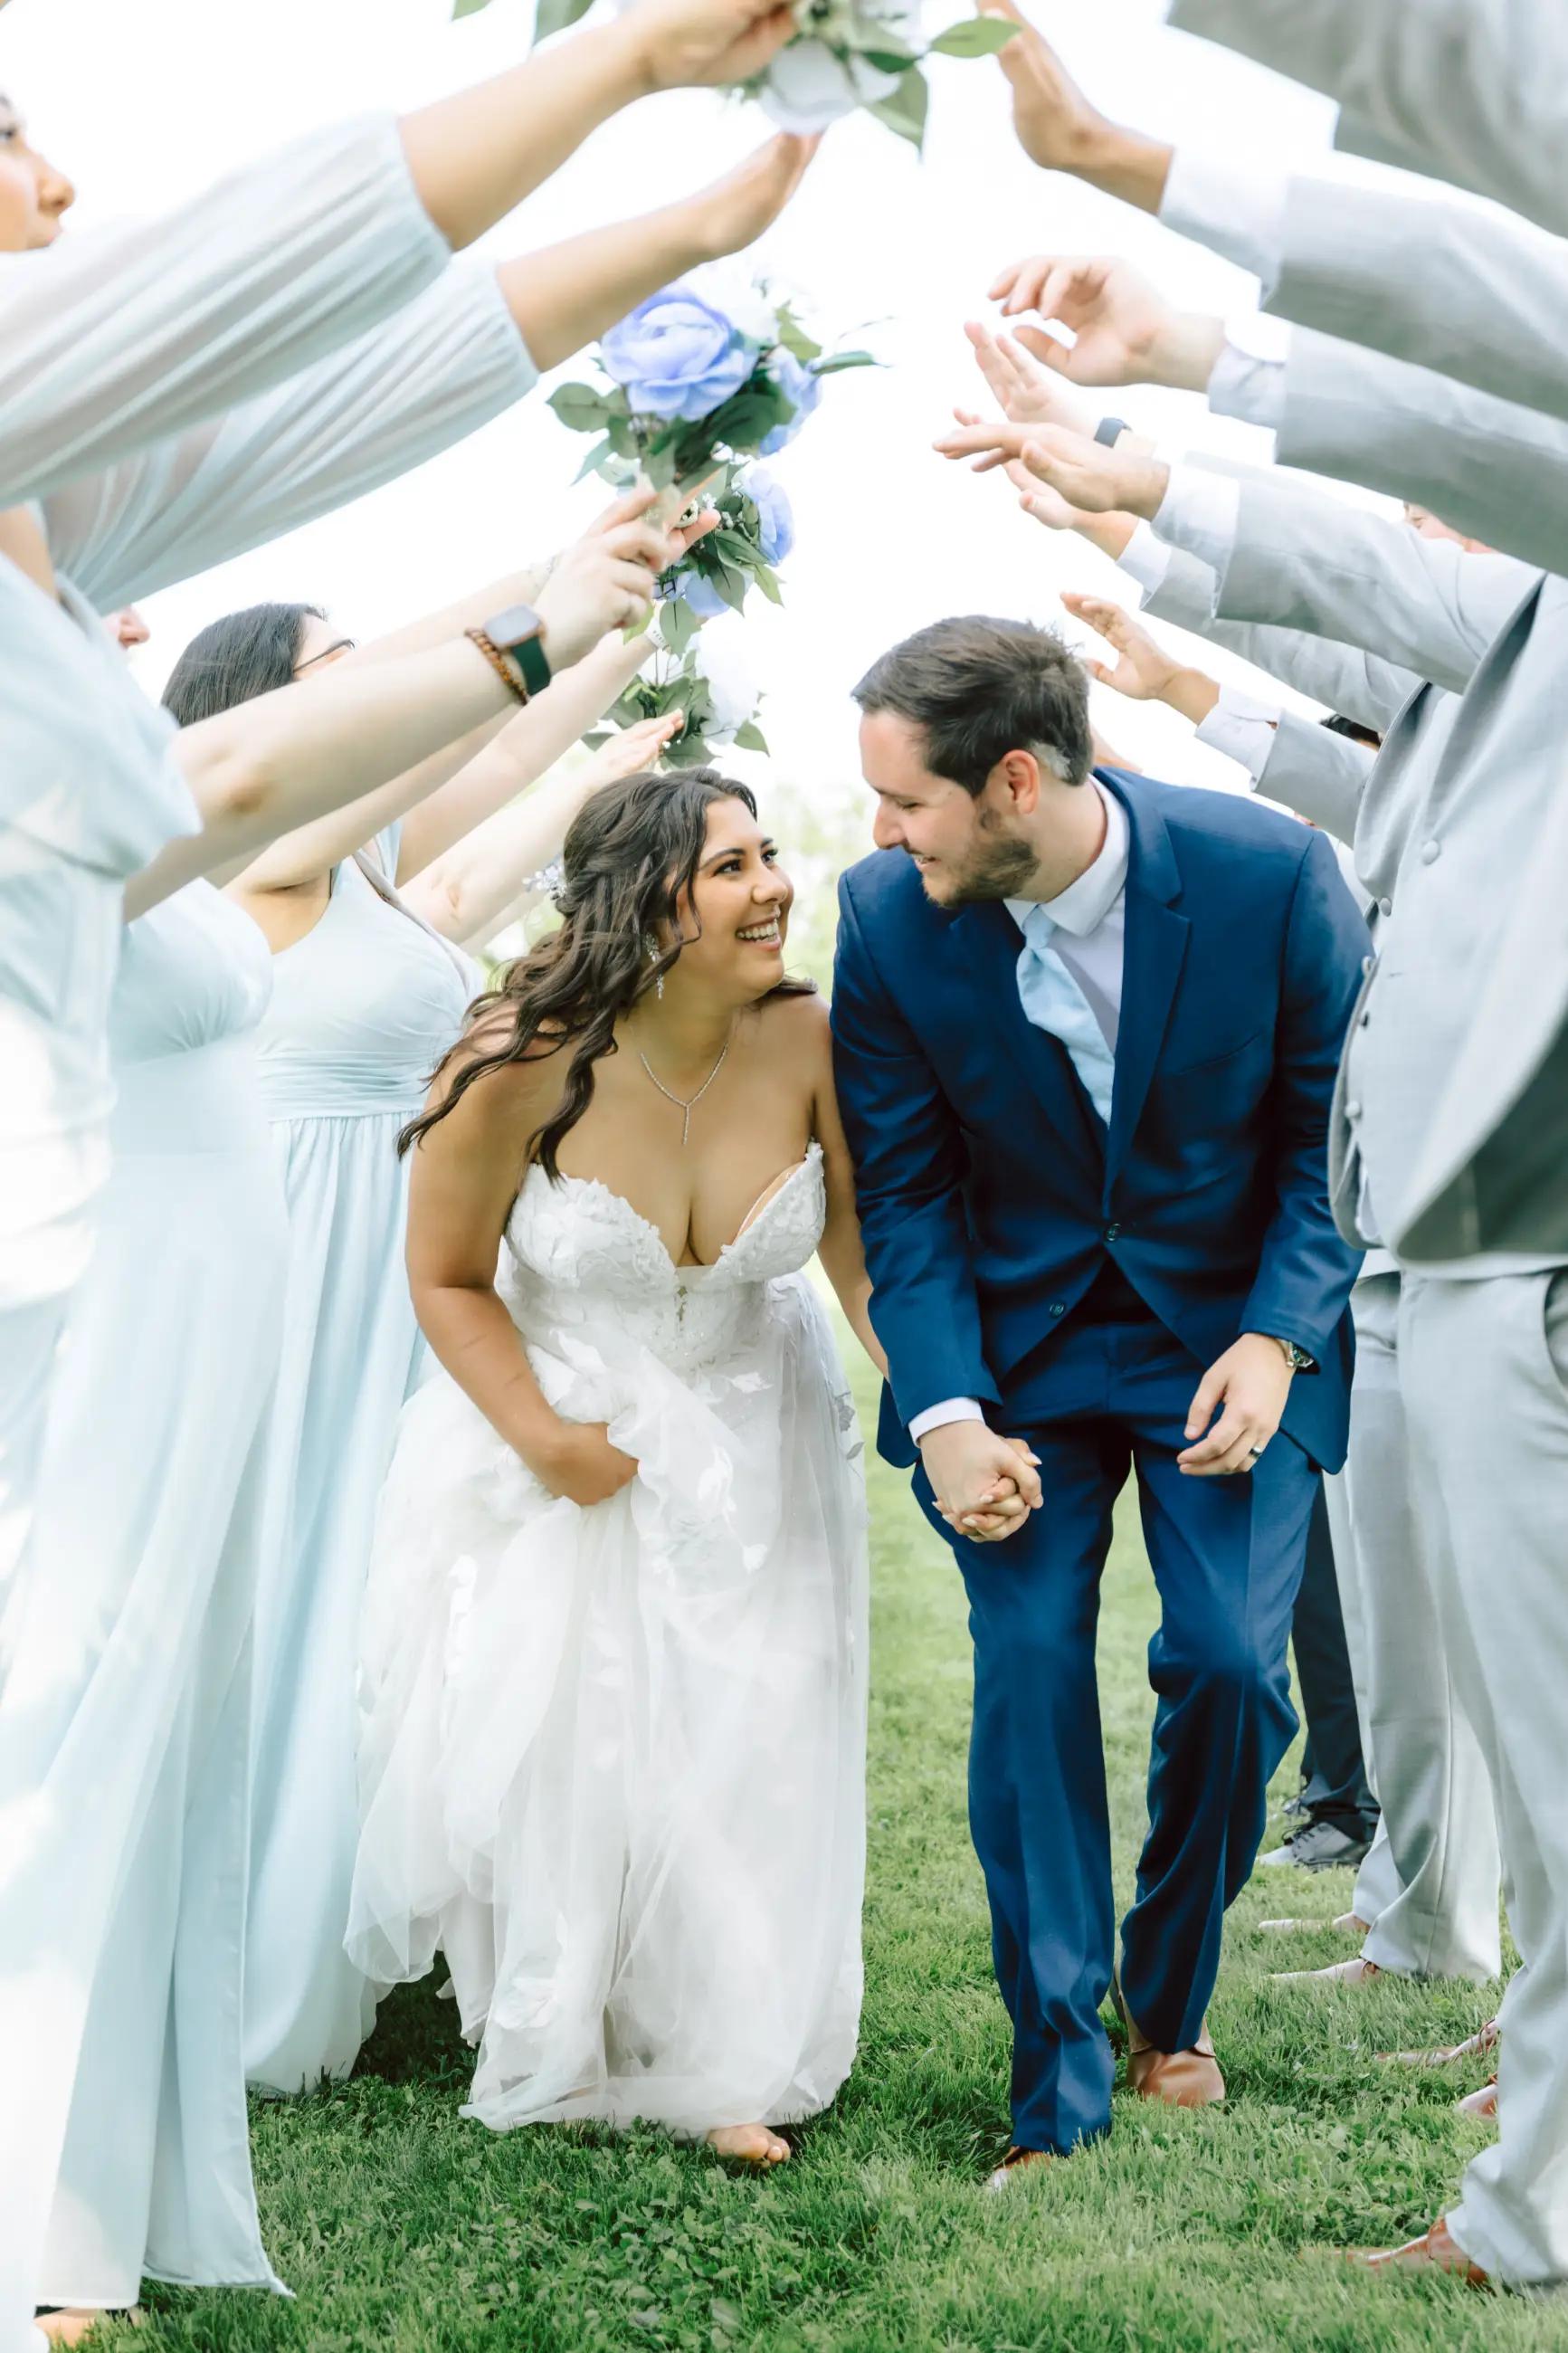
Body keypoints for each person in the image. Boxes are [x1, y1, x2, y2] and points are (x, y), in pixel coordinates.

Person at [832, 615, 1365, 2183]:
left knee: (1224, 1671)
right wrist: (942, 1414)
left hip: (1227, 1346)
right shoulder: (888, 914)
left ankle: (1168, 1995)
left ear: (1013, 781)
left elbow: (1324, 1142)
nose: (876, 837)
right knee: (1024, 1676)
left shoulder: (1269, 874)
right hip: (1014, 1365)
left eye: (906, 802)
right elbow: (907, 1199)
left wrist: (1276, 1338)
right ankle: (1052, 2079)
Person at [162, 584, 679, 2095]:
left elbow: (502, 785)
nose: (370, 688)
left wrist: (621, 638)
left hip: (384, 1273)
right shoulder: (245, 847)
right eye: (339, 671)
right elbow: (443, 732)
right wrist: (536, 619)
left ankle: (365, 1909)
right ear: (259, 704)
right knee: (289, 1592)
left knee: (386, 1600)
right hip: (281, 1270)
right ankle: (231, 1944)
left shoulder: (370, 878)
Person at [347, 768, 875, 2167]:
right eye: (730, 867)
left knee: (756, 1725)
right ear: (642, 898)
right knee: (590, 1729)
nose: (772, 885)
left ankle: (728, 2056)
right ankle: (565, 2022)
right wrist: (548, 1441)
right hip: (573, 1424)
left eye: (769, 854)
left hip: (764, 1429)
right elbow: (448, 1276)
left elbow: (863, 1266)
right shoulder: (515, 1056)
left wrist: (944, 1412)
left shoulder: (809, 1036)